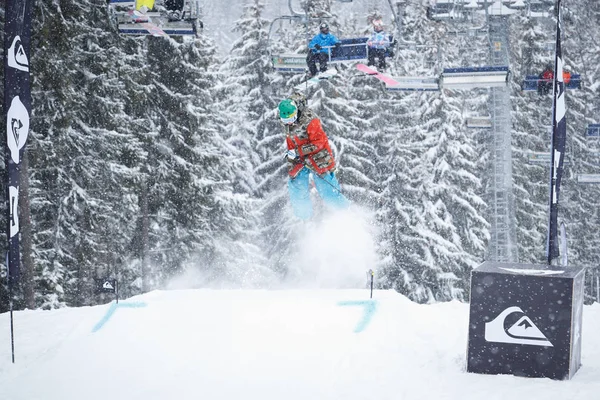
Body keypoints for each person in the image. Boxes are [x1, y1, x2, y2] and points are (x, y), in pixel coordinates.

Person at [278, 93, 349, 220]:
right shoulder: (287, 121)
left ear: (296, 113)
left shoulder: (310, 121)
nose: (289, 123)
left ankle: (345, 214)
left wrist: (299, 151)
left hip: (318, 156)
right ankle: (303, 218)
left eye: (290, 119)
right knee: (297, 186)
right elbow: (291, 139)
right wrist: (292, 153)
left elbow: (320, 142)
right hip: (298, 158)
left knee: (327, 190)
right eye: (285, 121)